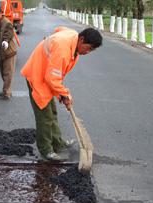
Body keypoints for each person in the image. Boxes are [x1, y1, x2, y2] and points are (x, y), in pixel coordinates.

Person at [21, 27, 102, 161]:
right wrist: (65, 95)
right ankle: (46, 149)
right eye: (88, 48)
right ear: (81, 39)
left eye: (91, 50)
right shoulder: (63, 50)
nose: (88, 52)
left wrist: (61, 95)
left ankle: (58, 143)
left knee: (53, 112)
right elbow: (52, 78)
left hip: (46, 74)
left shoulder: (73, 36)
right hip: (37, 75)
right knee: (45, 116)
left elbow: (58, 29)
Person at [0, 5, 17, 100]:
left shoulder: (6, 23)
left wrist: (5, 41)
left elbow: (9, 34)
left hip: (9, 52)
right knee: (3, 72)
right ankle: (7, 90)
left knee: (7, 73)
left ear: (0, 13)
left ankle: (6, 93)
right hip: (2, 52)